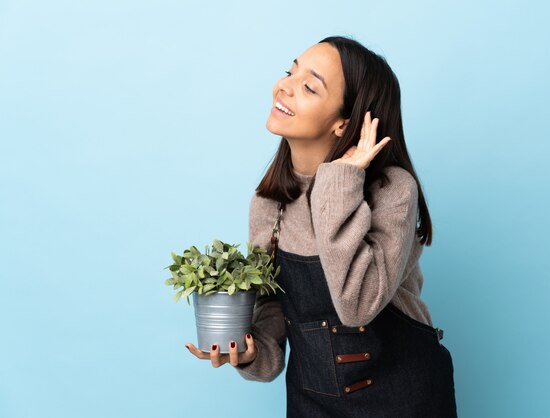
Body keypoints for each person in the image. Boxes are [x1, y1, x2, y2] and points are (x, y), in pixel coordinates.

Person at [185, 35, 458, 417]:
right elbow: (274, 308)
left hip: (404, 396)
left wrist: (339, 181)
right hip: (312, 400)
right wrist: (252, 350)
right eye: (289, 72)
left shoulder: (391, 190)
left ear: (344, 122)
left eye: (309, 86)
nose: (284, 86)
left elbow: (356, 306)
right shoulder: (269, 203)